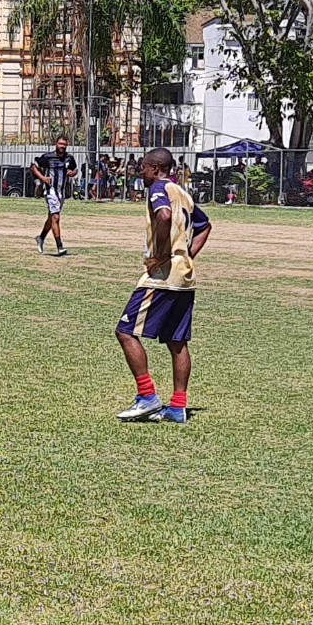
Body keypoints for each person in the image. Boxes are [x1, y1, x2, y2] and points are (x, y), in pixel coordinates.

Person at [115, 149, 212, 425]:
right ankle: (178, 407)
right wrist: (187, 255)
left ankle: (147, 397)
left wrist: (160, 252)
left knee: (125, 331)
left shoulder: (158, 188)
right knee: (177, 341)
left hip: (163, 277)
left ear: (156, 168)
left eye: (143, 167)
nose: (140, 172)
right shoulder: (183, 193)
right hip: (185, 277)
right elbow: (205, 226)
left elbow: (165, 216)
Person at [32, 136, 78, 255]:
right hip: (50, 190)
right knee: (56, 218)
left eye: (64, 144)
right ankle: (60, 246)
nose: (62, 146)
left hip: (61, 192)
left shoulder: (69, 158)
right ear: (56, 144)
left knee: (52, 219)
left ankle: (41, 238)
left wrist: (73, 173)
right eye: (60, 144)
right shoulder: (48, 157)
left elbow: (75, 169)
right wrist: (43, 178)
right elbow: (34, 167)